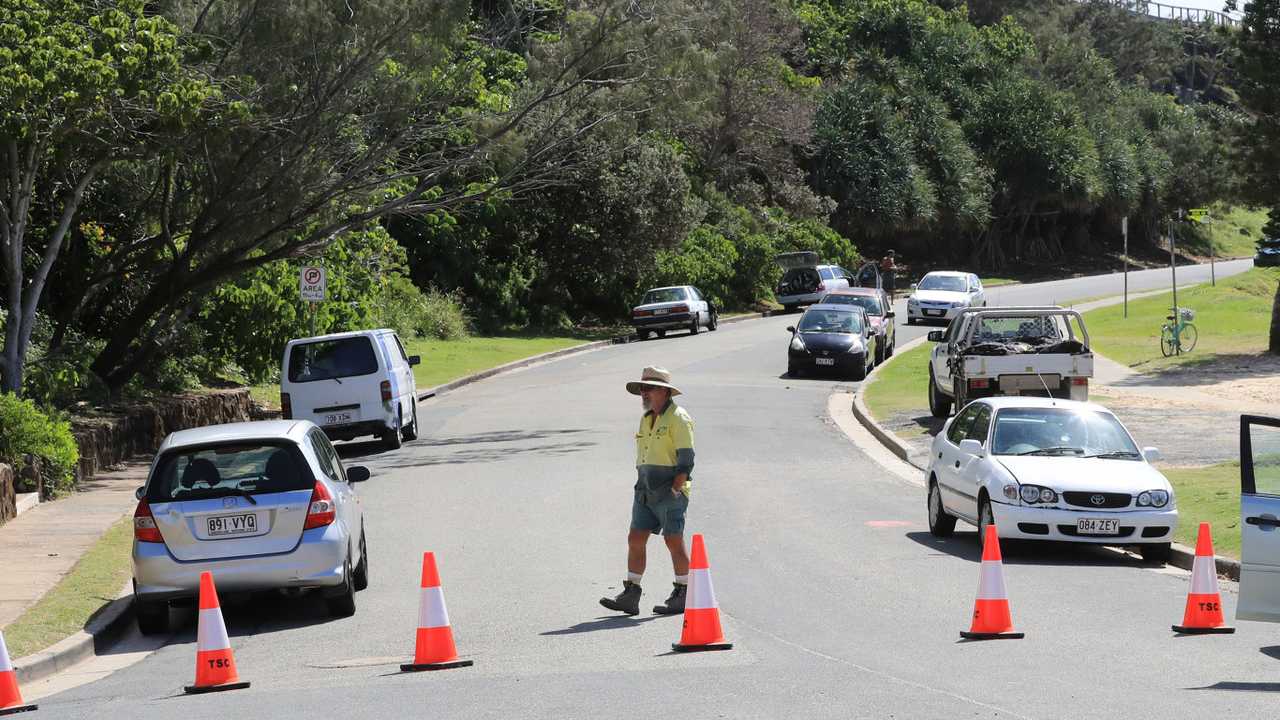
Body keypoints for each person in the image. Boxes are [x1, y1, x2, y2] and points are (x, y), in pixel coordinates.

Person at [599, 366, 695, 616]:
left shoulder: (679, 417)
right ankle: (631, 593)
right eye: (641, 388)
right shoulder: (646, 418)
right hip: (645, 490)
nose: (643, 393)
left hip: (670, 490)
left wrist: (677, 487)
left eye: (648, 388)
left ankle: (683, 592)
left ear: (663, 391)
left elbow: (687, 456)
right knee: (635, 538)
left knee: (673, 540)